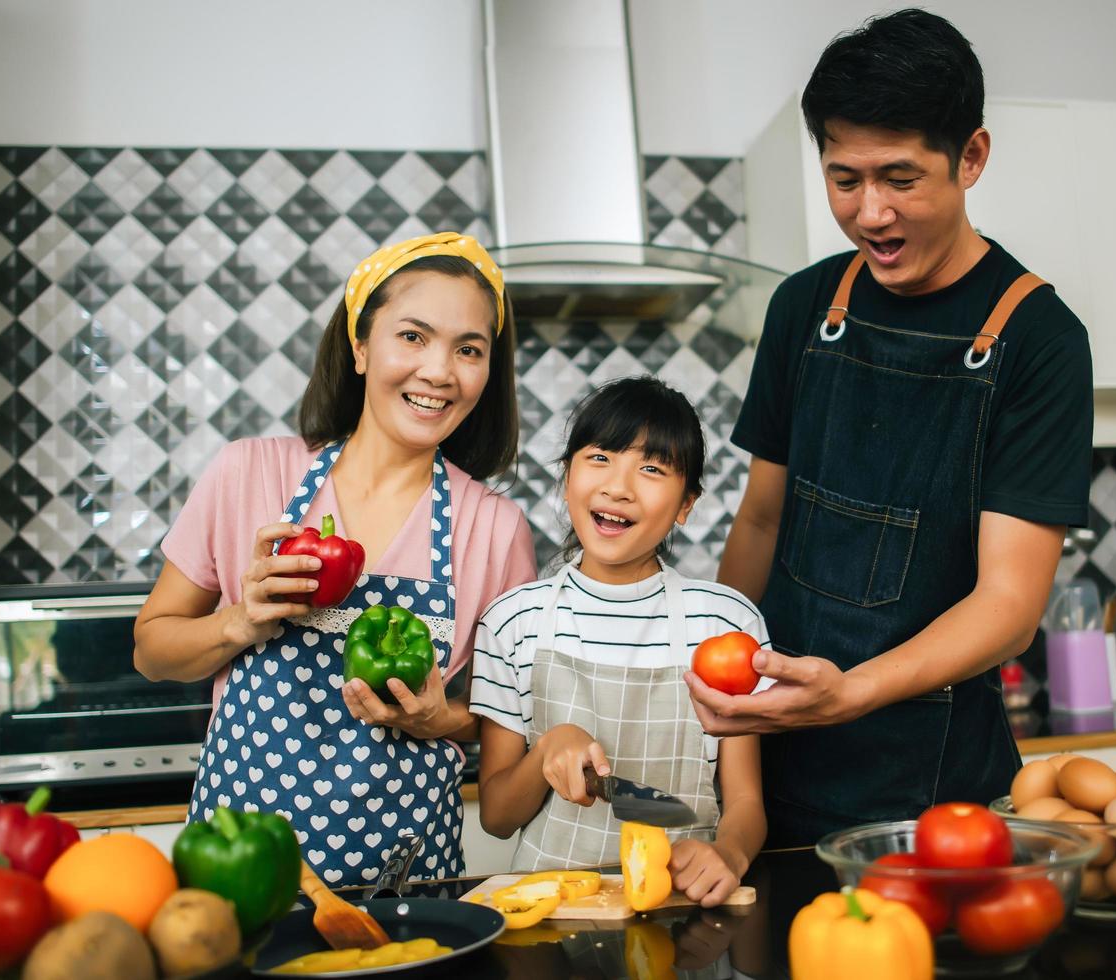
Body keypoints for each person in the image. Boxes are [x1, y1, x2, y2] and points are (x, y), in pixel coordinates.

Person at [687, 9, 1094, 847]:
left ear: (970, 157)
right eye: (844, 179)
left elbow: (1009, 608)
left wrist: (848, 693)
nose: (869, 213)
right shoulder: (802, 305)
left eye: (899, 178)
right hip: (778, 772)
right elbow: (761, 519)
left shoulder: (1041, 341)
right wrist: (719, 669)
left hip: (938, 797)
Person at [134, 232, 538, 884]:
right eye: (412, 336)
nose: (438, 371)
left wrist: (439, 719)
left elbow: (506, 726)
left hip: (409, 883)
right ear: (358, 345)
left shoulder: (493, 528)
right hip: (237, 877)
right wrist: (241, 621)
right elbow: (151, 649)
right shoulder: (248, 473)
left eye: (468, 350)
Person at [471, 377, 767, 905]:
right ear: (566, 478)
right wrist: (545, 752)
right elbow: (495, 817)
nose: (619, 487)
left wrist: (730, 854)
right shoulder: (512, 620)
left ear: (686, 504)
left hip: (681, 908)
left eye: (652, 469)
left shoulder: (725, 622)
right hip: (549, 911)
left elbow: (745, 802)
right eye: (600, 457)